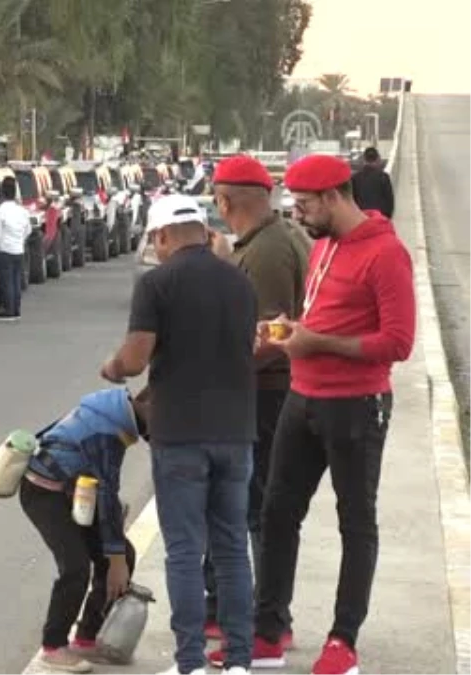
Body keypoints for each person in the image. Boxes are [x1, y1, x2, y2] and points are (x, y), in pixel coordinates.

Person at [213, 153, 415, 675]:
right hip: (302, 397)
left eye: (304, 205)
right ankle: (269, 630)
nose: (297, 214)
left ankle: (342, 641)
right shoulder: (324, 245)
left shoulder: (386, 253)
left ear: (333, 197)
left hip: (356, 404)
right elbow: (314, 319)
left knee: (356, 521)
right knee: (278, 513)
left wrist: (317, 341)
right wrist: (284, 331)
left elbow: (398, 341)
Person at [101, 194, 258, 675]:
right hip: (236, 433)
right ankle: (238, 661)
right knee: (232, 546)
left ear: (164, 234)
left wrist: (111, 368)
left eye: (155, 239)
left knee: (186, 551)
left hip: (181, 436)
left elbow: (134, 359)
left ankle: (190, 662)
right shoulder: (240, 282)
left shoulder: (157, 284)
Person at [199, 155, 311, 646]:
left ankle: (267, 619)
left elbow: (270, 336)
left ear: (225, 201)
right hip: (270, 392)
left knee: (258, 509)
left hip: (267, 395)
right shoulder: (273, 239)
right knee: (247, 504)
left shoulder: (265, 253)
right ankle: (231, 607)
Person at [21, 387, 146, 673]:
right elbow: (108, 495)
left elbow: (104, 495)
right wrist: (114, 561)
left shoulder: (116, 412)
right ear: (147, 408)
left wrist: (116, 557)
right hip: (43, 494)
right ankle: (53, 646)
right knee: (76, 566)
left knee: (122, 554)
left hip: (76, 491)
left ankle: (87, 638)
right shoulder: (107, 432)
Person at [0, 177, 29, 321]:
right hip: (18, 249)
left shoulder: (0, 212)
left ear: (2, 193)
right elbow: (28, 230)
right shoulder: (22, 211)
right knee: (16, 280)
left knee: (6, 280)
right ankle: (16, 308)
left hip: (4, 249)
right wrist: (20, 241)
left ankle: (8, 309)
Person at [350, 147, 394, 218]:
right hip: (379, 219)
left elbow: (352, 201)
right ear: (377, 159)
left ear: (364, 159)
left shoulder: (355, 178)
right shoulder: (383, 177)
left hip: (361, 219)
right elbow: (389, 202)